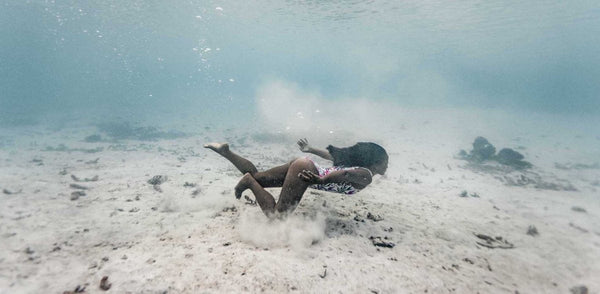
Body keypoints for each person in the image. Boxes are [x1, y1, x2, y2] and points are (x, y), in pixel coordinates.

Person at [204, 138, 388, 218]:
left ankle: (225, 152)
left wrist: (309, 150)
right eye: (385, 161)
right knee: (277, 217)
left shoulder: (355, 163)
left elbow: (331, 156)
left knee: (259, 177)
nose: (387, 165)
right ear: (376, 162)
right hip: (306, 173)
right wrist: (321, 181)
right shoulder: (367, 175)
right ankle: (248, 182)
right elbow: (345, 174)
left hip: (303, 164)